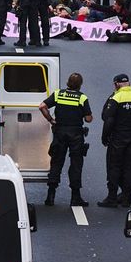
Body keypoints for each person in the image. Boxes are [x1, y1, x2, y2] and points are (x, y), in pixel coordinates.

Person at [39, 73, 93, 207]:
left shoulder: (58, 94)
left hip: (60, 132)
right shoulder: (82, 98)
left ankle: (50, 196)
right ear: (80, 84)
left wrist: (51, 120)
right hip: (76, 134)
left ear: (67, 82)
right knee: (76, 164)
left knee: (56, 162)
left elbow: (42, 106)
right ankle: (75, 197)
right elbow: (88, 119)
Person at [98, 74, 131, 208]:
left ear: (116, 84)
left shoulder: (116, 97)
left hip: (117, 139)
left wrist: (105, 137)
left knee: (114, 167)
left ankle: (112, 198)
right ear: (129, 83)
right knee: (129, 167)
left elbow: (107, 118)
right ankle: (127, 198)